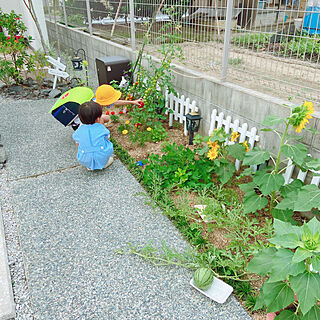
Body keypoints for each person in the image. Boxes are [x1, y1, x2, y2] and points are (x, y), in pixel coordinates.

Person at [72, 101, 114, 171]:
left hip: (84, 159)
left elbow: (78, 145)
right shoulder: (101, 129)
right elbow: (108, 140)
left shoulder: (78, 131)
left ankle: (89, 165)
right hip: (102, 157)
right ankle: (103, 164)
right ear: (98, 119)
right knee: (110, 156)